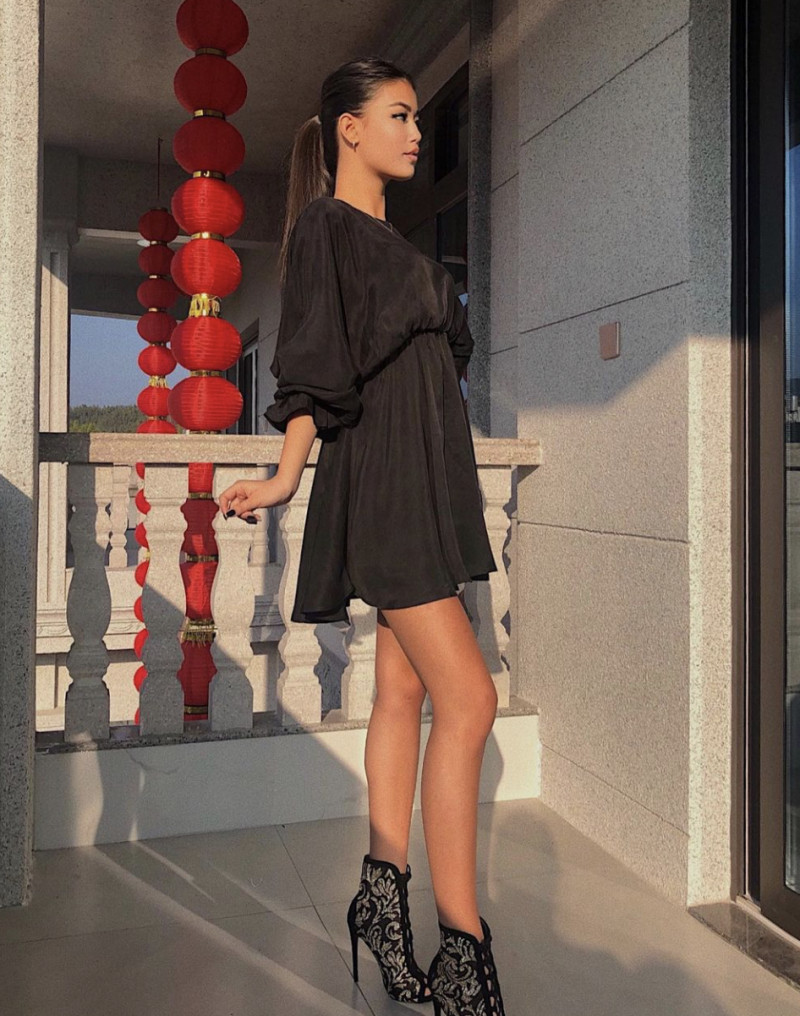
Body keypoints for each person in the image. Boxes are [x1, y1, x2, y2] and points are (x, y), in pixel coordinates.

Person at [218, 56, 507, 1016]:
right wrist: (285, 474)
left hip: (425, 473)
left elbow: (431, 358)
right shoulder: (325, 228)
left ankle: (381, 904)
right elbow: (312, 361)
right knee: (472, 700)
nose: (418, 132)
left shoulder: (391, 240)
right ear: (349, 128)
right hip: (386, 481)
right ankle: (463, 951)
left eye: (417, 118)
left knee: (406, 690)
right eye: (400, 115)